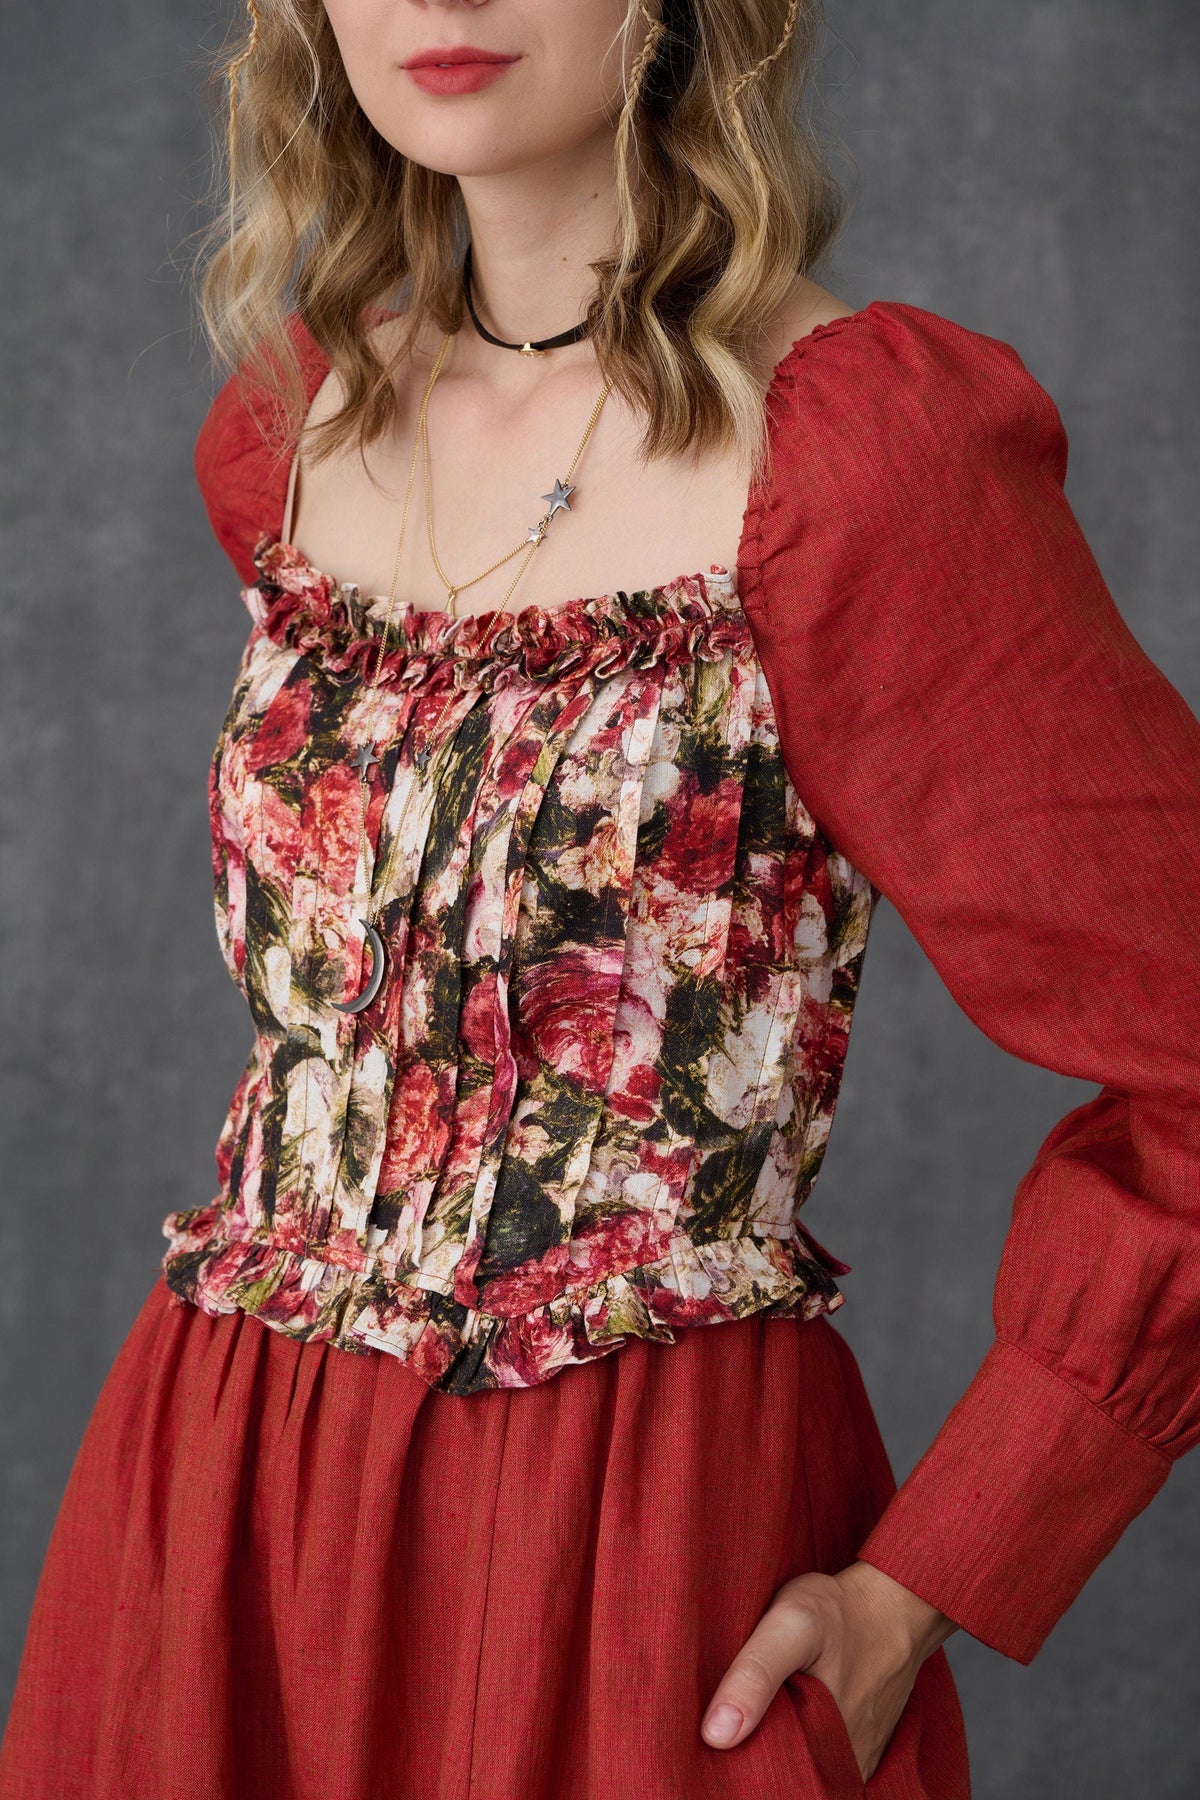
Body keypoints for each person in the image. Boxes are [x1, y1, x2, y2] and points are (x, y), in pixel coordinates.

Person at [2, 2, 1198, 1796]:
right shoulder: (293, 426)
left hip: (630, 1531)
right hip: (228, 1497)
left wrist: (928, 1579)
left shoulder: (864, 461)